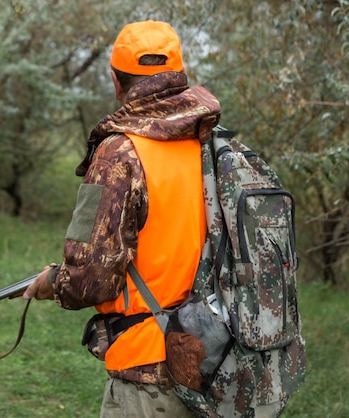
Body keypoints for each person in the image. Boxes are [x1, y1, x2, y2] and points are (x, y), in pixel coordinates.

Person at [23, 20, 221, 417]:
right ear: (179, 78)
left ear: (116, 81)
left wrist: (52, 283)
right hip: (214, 358)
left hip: (149, 369)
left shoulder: (118, 154)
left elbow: (90, 278)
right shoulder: (211, 143)